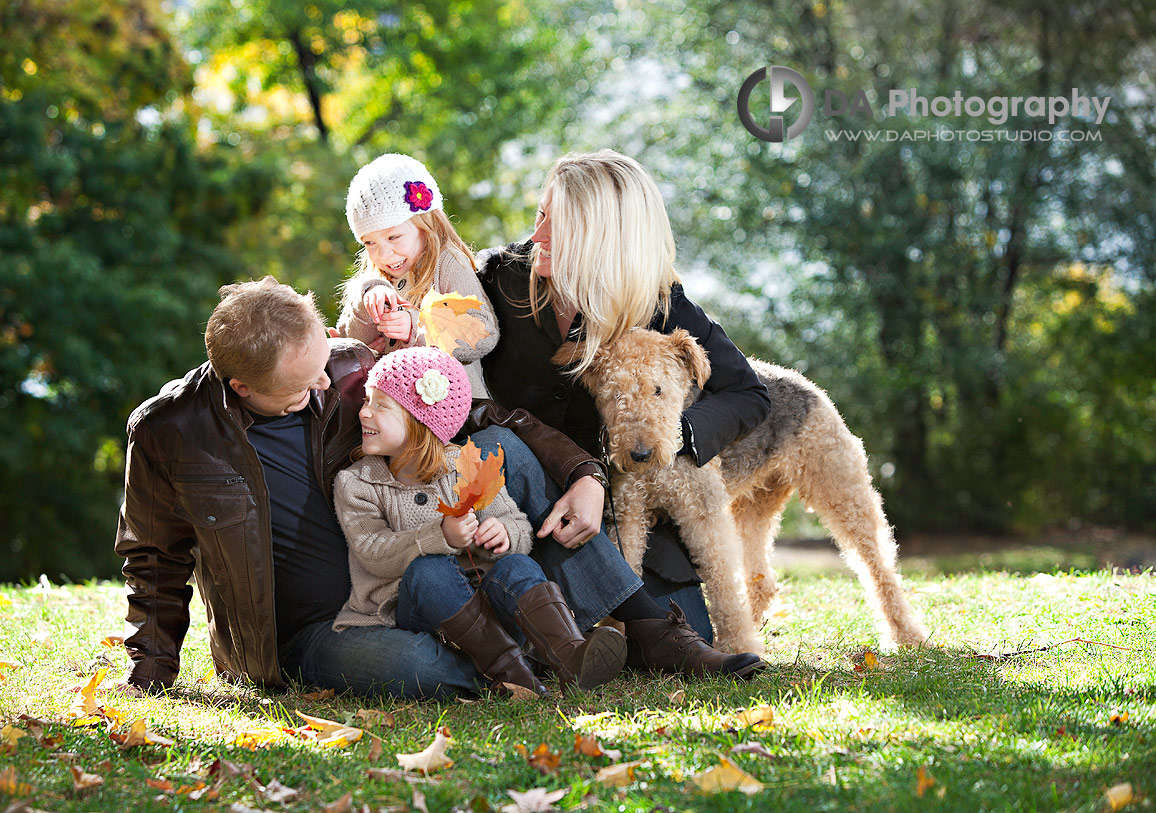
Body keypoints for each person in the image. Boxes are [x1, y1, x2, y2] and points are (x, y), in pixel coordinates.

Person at [114, 276, 629, 699]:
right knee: (419, 667)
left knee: (500, 445)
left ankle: (607, 632)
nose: (322, 385)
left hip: (407, 584)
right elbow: (155, 559)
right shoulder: (171, 431)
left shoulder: (348, 368)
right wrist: (150, 674)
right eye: (301, 385)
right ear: (242, 387)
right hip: (311, 632)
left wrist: (585, 472)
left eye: (322, 366)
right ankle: (526, 663)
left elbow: (466, 412)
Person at [477, 149, 773, 663]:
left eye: (557, 223)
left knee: (685, 635)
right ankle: (607, 619)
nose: (536, 233)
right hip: (521, 494)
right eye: (541, 213)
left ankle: (609, 620)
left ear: (604, 239)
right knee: (505, 447)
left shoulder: (661, 303)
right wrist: (583, 475)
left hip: (627, 512)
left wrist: (660, 434)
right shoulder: (496, 279)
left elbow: (748, 394)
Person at [333, 347, 625, 696]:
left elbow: (517, 524)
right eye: (367, 400)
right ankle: (513, 673)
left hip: (490, 612)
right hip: (421, 615)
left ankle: (570, 655)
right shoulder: (357, 483)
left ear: (419, 420)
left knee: (517, 564)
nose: (364, 412)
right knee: (430, 572)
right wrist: (438, 536)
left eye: (381, 404)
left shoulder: (466, 465)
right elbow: (372, 551)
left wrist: (505, 533)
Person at [338, 153, 498, 398]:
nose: (383, 254)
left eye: (393, 237)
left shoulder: (445, 262)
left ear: (426, 223)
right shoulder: (375, 279)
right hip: (393, 415)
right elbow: (353, 340)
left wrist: (416, 328)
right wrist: (368, 294)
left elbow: (482, 333)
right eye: (369, 243)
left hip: (453, 410)